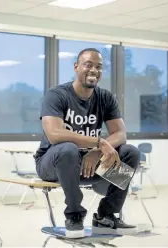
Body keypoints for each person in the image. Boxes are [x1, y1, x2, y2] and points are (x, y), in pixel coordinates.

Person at [33, 48, 140, 238]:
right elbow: (54, 135)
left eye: (98, 67)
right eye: (88, 65)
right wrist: (99, 142)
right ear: (76, 67)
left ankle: (106, 215)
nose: (94, 70)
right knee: (68, 149)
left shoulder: (105, 97)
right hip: (53, 165)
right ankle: (74, 215)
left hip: (88, 166)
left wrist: (98, 150)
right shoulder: (56, 95)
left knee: (130, 152)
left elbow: (121, 133)